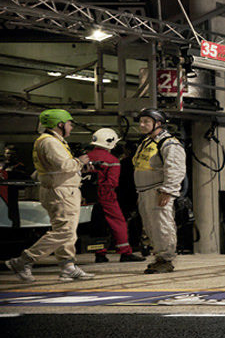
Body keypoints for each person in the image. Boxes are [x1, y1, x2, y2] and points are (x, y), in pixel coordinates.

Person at [6, 109, 91, 282]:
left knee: (66, 231)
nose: (71, 127)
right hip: (60, 191)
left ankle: (68, 266)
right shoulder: (50, 142)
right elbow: (64, 166)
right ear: (60, 124)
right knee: (64, 232)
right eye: (69, 124)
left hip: (63, 189)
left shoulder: (52, 141)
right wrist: (80, 161)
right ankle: (24, 260)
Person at [129, 106, 186, 274]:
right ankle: (159, 257)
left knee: (162, 225)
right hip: (144, 192)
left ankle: (166, 259)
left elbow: (175, 169)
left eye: (146, 121)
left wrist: (168, 190)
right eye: (141, 121)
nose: (142, 125)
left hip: (158, 192)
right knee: (150, 226)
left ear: (158, 123)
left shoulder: (169, 143)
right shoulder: (147, 142)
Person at [83, 127, 135, 262]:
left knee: (96, 222)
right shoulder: (112, 160)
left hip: (85, 196)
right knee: (118, 222)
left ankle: (100, 253)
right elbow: (112, 182)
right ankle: (125, 252)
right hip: (106, 195)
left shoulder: (84, 158)